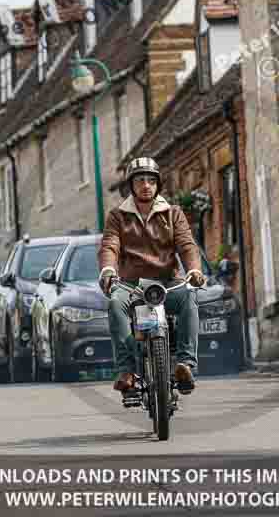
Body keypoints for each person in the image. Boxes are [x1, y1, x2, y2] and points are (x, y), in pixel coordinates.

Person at [98, 157, 206, 395]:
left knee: (190, 298)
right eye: (139, 180)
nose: (145, 185)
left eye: (150, 180)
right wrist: (108, 270)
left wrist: (194, 270)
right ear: (131, 186)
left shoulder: (173, 213)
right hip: (131, 286)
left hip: (167, 284)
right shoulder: (117, 216)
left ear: (158, 184)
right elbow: (110, 246)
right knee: (115, 303)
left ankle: (185, 364)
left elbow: (187, 245)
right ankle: (126, 370)